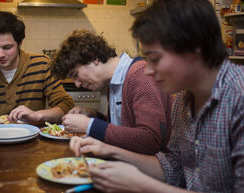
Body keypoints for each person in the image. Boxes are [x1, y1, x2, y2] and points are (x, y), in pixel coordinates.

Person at [69, 0, 244, 192]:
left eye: (155, 59)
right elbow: (173, 168)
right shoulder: (183, 101)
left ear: (194, 47)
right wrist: (109, 150)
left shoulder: (238, 97)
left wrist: (141, 185)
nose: (147, 71)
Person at [51, 29, 172, 155]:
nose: (77, 84)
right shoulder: (113, 83)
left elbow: (151, 141)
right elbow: (120, 131)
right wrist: (92, 116)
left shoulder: (140, 75)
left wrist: (90, 125)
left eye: (75, 75)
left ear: (93, 58)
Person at [0, 11, 74, 124]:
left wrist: (37, 115)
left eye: (7, 47)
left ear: (20, 43)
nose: (0, 54)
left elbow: (65, 105)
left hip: (33, 139)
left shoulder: (42, 65)